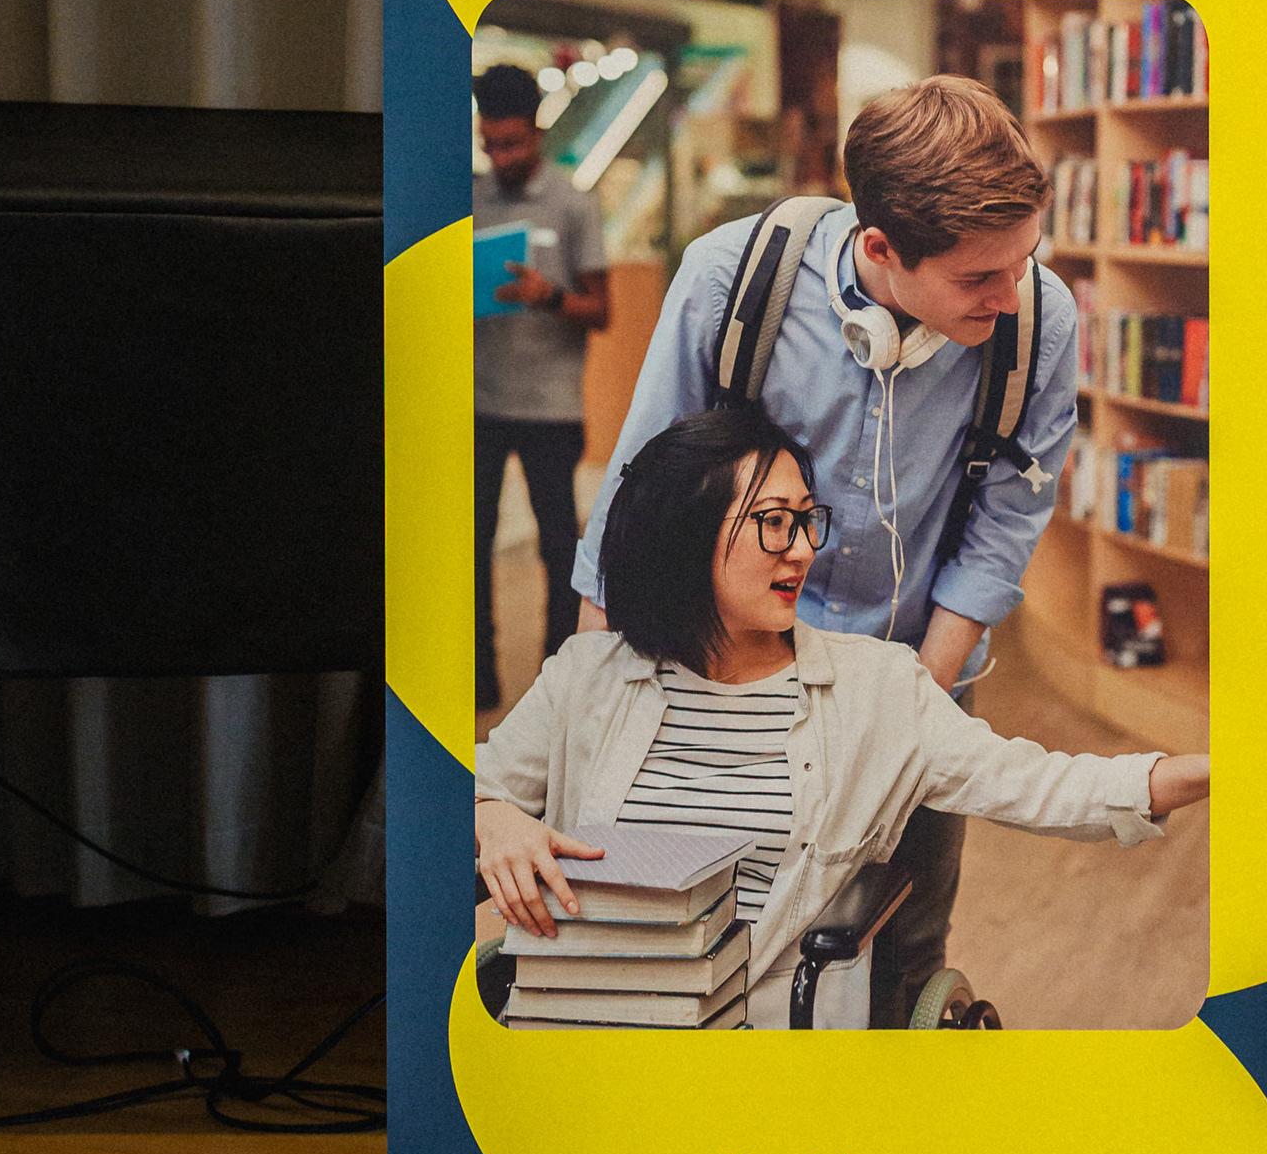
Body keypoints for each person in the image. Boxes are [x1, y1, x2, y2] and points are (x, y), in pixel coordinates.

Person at [570, 76, 1079, 1020]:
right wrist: (593, 710)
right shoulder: (731, 282)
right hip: (724, 681)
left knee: (899, 948)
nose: (1011, 297)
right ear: (880, 247)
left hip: (918, 670)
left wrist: (907, 704)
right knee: (707, 945)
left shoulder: (1039, 323)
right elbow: (636, 501)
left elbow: (1004, 521)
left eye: (1024, 261)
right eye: (978, 278)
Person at [476, 407, 1209, 1027]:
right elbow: (469, 788)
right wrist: (495, 818)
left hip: (755, 1045)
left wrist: (1203, 770)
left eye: (806, 521)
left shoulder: (875, 689)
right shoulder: (588, 675)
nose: (803, 550)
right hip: (578, 1029)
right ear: (685, 532)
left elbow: (1042, 786)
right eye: (773, 523)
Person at [472, 61, 610, 715]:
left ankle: (557, 681)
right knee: (469, 547)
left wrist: (546, 295)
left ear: (537, 132)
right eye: (490, 143)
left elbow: (602, 309)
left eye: (512, 143)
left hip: (552, 408)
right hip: (478, 403)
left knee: (558, 547)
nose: (501, 156)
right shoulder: (467, 198)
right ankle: (477, 678)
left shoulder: (574, 203)